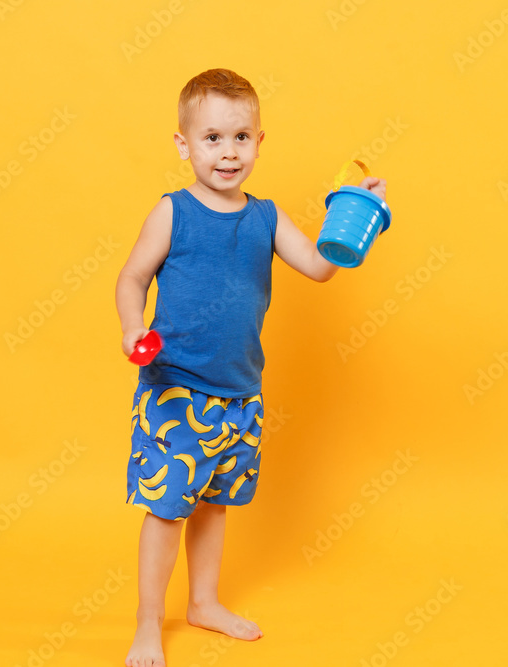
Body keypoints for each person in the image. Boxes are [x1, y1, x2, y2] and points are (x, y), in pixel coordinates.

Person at [116, 68, 387, 667]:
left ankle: (204, 603)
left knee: (214, 503)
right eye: (212, 138)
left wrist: (356, 213)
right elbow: (132, 277)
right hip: (176, 390)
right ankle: (147, 624)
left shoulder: (266, 217)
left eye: (241, 137)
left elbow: (319, 266)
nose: (228, 152)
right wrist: (134, 326)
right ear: (183, 144)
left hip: (240, 394)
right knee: (167, 508)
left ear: (260, 142)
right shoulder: (173, 212)